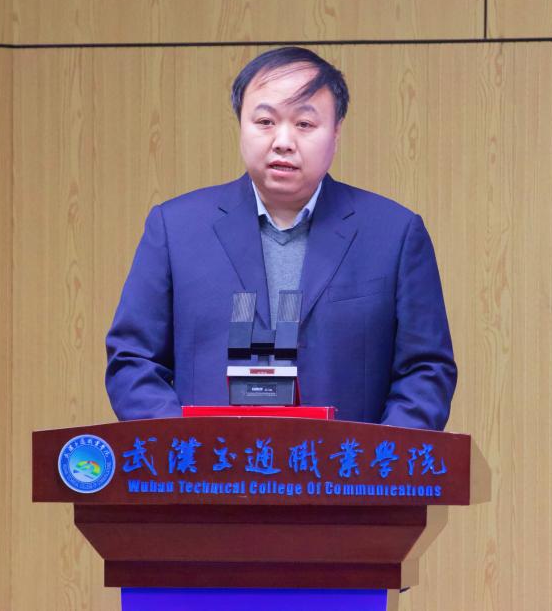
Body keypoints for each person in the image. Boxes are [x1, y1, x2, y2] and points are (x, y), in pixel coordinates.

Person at [105, 47, 456, 430]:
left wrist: (380, 458)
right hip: (207, 464)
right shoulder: (176, 228)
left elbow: (425, 371)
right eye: (265, 121)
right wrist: (183, 445)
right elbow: (133, 360)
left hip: (347, 467)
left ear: (336, 132)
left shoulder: (394, 233)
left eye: (304, 124)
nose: (283, 141)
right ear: (241, 124)